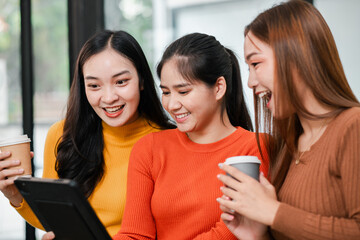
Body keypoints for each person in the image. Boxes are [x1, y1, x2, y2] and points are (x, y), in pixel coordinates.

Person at [0, 30, 174, 237]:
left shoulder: (170, 141)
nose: (108, 98)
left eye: (121, 82)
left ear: (142, 81)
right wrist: (14, 195)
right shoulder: (63, 135)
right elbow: (56, 219)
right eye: (94, 85)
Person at [216, 1, 360, 240]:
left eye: (255, 64)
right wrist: (257, 236)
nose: (250, 82)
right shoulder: (288, 144)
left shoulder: (353, 127)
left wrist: (273, 212)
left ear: (295, 56)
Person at [112, 32, 269, 240]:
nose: (171, 105)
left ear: (219, 88)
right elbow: (134, 234)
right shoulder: (149, 148)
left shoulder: (255, 148)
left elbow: (232, 231)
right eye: (166, 92)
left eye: (183, 92)